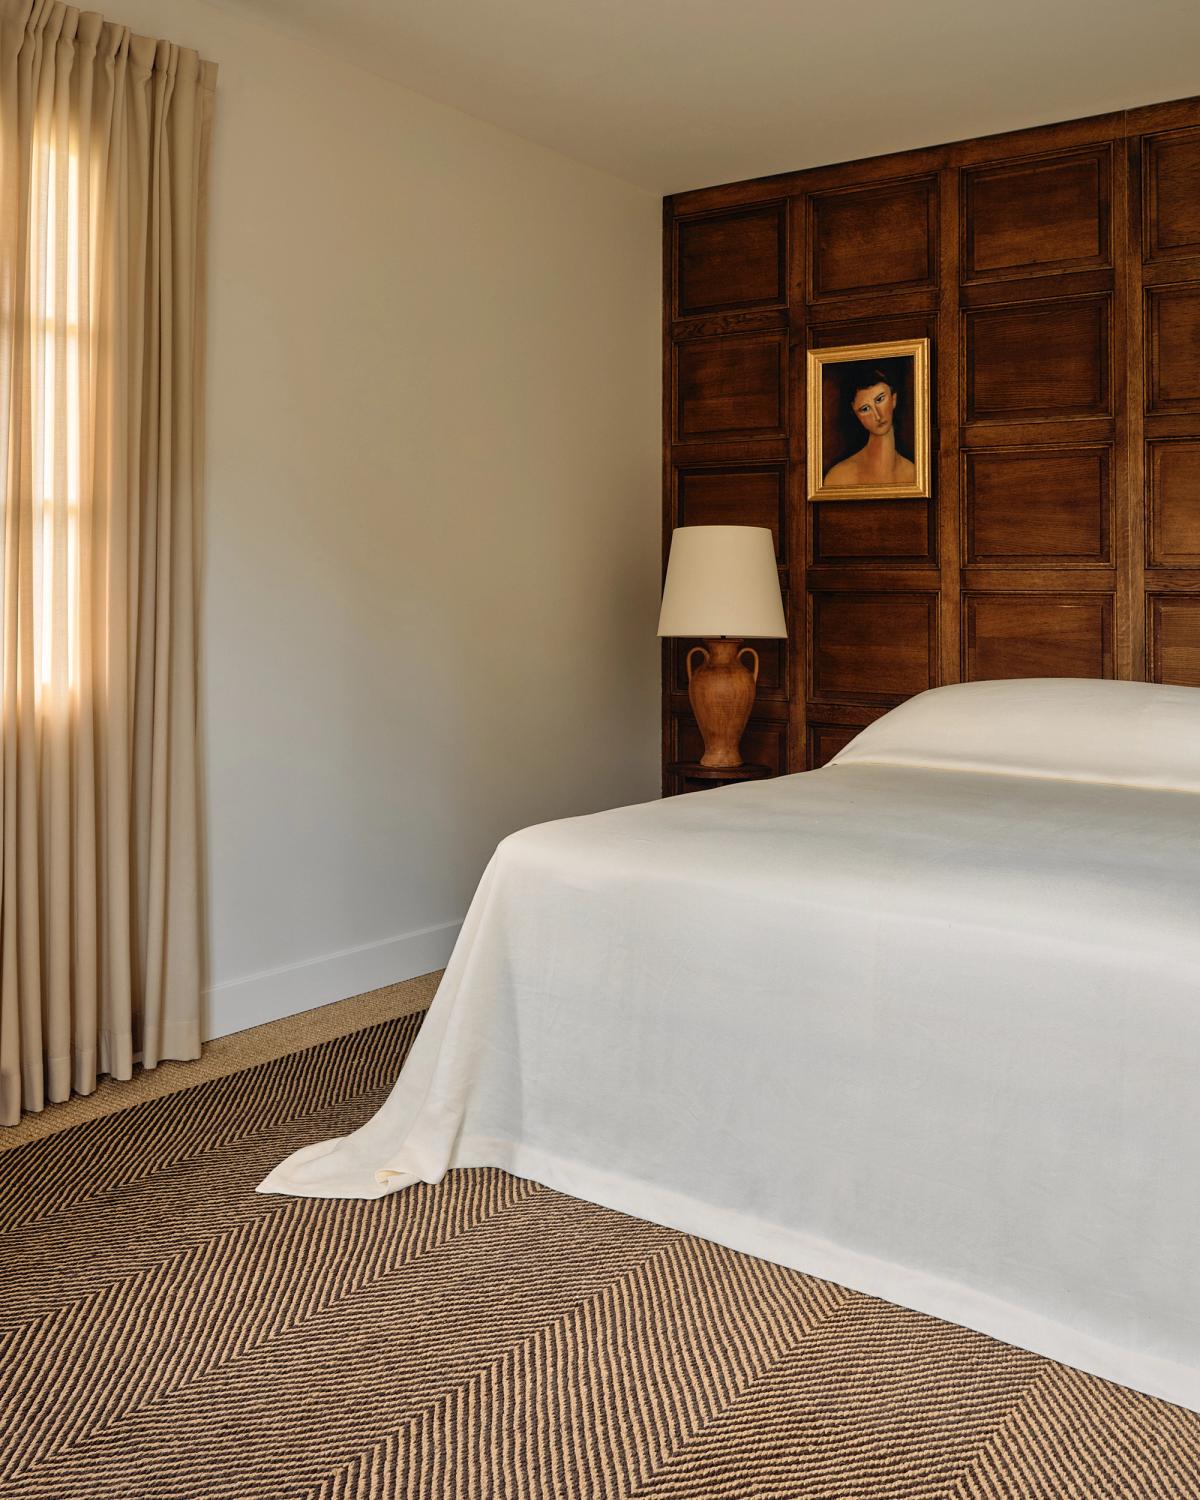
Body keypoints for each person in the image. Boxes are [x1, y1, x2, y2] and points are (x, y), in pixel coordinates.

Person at [823, 363, 916, 488]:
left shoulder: (914, 474)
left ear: (894, 399)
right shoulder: (838, 477)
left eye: (880, 399)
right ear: (856, 415)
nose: (877, 415)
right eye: (865, 408)